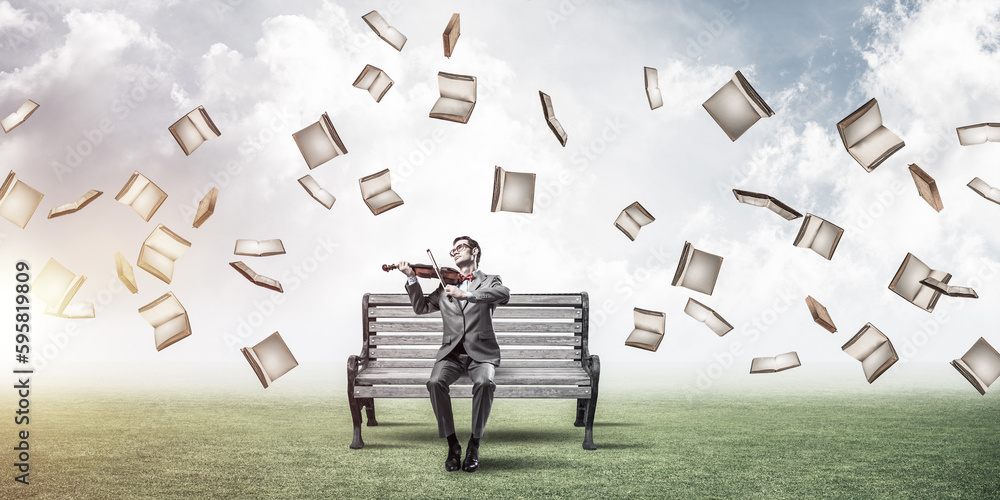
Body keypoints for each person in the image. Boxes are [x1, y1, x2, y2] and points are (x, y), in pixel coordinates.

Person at [395, 236, 510, 473]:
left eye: (460, 247)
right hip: (452, 353)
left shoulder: (490, 280)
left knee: (485, 383)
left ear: (474, 250)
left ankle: (474, 445)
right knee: (435, 382)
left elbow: (503, 294)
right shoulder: (443, 285)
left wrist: (466, 295)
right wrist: (411, 277)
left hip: (481, 353)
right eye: (452, 250)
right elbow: (421, 308)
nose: (455, 251)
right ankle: (453, 445)